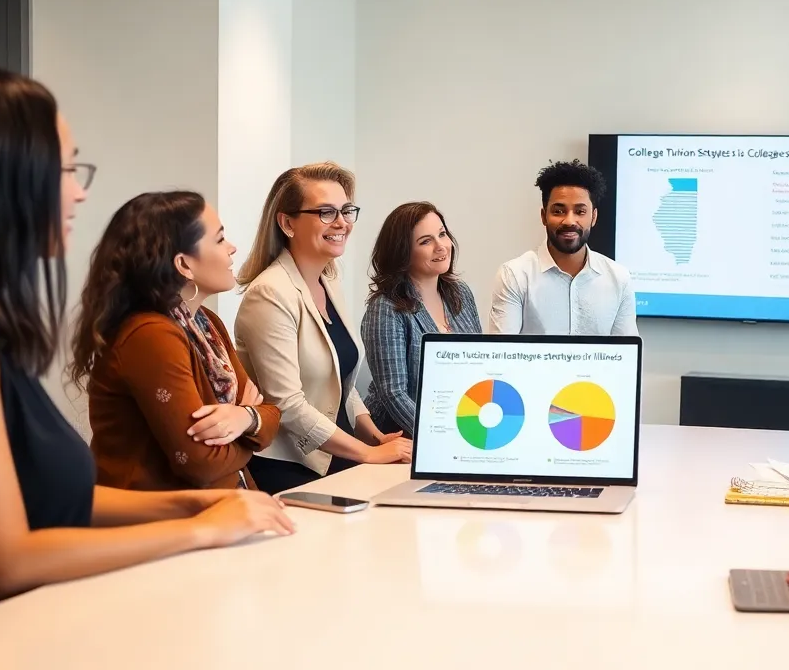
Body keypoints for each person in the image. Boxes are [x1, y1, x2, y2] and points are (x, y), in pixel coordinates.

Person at [0, 63, 292, 616]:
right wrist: (201, 526)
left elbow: (53, 500)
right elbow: (1, 562)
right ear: (2, 177)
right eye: (65, 169)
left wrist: (198, 502)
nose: (78, 192)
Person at [69, 191, 282, 491]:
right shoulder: (150, 335)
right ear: (184, 265)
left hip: (221, 506)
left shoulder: (207, 323)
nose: (232, 248)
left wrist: (245, 417)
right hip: (162, 515)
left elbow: (271, 415)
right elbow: (200, 464)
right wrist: (248, 428)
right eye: (220, 239)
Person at [233, 162, 411, 494]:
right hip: (290, 464)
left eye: (346, 211)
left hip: (338, 452)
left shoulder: (328, 279)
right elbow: (287, 405)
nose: (342, 222)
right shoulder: (269, 293)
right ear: (287, 223)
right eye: (326, 212)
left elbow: (340, 381)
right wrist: (367, 453)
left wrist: (375, 437)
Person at [362, 201, 482, 436]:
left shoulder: (460, 293)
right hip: (401, 436)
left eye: (442, 234)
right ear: (402, 253)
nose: (441, 246)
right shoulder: (385, 308)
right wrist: (439, 434)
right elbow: (394, 394)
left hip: (460, 424)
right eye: (426, 241)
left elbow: (477, 364)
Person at [489, 159, 637, 336]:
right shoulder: (515, 275)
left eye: (580, 212)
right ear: (543, 216)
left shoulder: (619, 279)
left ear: (593, 217)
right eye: (558, 211)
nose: (569, 221)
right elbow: (502, 349)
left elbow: (626, 350)